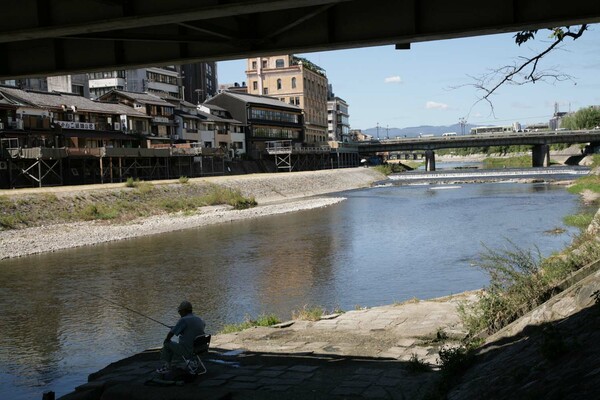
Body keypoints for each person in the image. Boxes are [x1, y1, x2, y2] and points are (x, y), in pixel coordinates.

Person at [156, 300, 206, 374]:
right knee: (175, 344)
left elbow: (171, 334)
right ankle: (193, 362)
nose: (179, 313)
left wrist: (167, 339)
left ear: (184, 311)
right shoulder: (199, 319)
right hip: (200, 348)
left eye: (180, 311)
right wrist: (177, 328)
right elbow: (192, 330)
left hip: (188, 350)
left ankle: (167, 367)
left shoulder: (183, 320)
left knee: (167, 343)